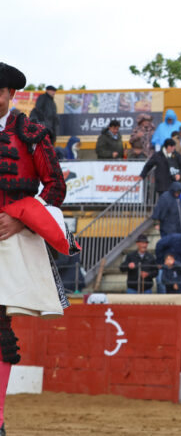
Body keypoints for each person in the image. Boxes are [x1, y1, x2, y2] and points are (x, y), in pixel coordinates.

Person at [0, 62, 67, 434]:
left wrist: (22, 220)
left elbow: (55, 187)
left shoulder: (30, 134)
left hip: (10, 239)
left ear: (10, 94)